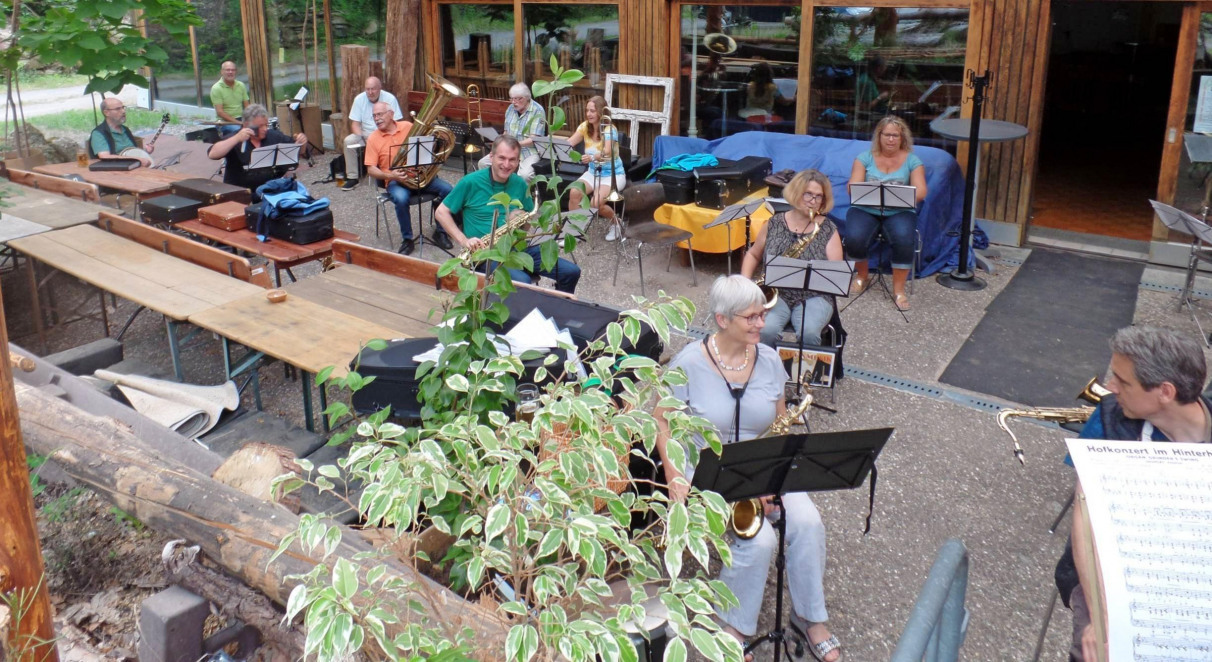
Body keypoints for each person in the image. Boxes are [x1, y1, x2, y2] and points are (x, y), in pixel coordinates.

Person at [654, 275, 842, 662]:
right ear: (723, 320)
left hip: (762, 462)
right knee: (759, 540)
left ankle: (810, 618)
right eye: (752, 317)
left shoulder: (771, 360)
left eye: (763, 315)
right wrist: (675, 478)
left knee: (808, 524)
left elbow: (778, 425)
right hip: (709, 470)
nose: (763, 324)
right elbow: (663, 422)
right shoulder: (687, 362)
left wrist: (771, 479)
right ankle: (734, 627)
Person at [1055, 326, 1212, 662]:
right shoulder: (1111, 415)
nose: (1110, 388)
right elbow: (1085, 524)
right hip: (1109, 574)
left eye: (1123, 381)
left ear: (1165, 392)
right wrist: (1102, 618)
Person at [436, 135, 580, 294]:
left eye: (512, 160)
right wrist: (464, 240)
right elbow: (441, 212)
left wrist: (520, 220)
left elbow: (527, 224)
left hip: (516, 247)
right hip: (485, 253)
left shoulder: (519, 183)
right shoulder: (470, 182)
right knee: (523, 283)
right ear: (491, 157)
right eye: (502, 158)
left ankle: (558, 308)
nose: (506, 164)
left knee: (571, 272)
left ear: (519, 161)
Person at [741, 170, 844, 348]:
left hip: (815, 296)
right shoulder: (774, 223)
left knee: (809, 333)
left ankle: (807, 373)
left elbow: (836, 273)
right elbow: (753, 254)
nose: (813, 201)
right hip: (777, 293)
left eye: (819, 197)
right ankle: (767, 369)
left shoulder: (828, 229)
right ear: (796, 193)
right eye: (808, 194)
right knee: (765, 330)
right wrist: (744, 283)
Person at [843, 115, 926, 311]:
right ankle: (863, 276)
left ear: (902, 138)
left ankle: (899, 290)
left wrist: (903, 195)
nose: (891, 139)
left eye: (895, 136)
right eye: (887, 135)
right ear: (878, 136)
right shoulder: (864, 158)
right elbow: (851, 187)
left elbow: (921, 191)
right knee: (854, 237)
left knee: (904, 238)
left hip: (900, 210)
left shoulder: (913, 161)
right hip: (865, 208)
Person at [364, 101, 453, 256]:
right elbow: (371, 169)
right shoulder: (373, 138)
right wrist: (390, 175)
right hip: (395, 180)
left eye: (380, 114)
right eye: (374, 116)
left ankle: (441, 232)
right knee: (401, 198)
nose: (376, 119)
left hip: (418, 176)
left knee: (448, 190)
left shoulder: (407, 126)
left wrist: (432, 146)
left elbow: (425, 148)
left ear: (391, 114)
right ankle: (407, 239)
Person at [207, 103, 309, 198]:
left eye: (266, 124)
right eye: (260, 126)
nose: (265, 129)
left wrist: (302, 143)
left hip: (271, 190)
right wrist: (236, 138)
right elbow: (212, 154)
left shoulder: (273, 136)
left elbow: (298, 152)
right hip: (241, 194)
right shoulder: (235, 138)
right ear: (247, 125)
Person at [566, 96, 627, 242]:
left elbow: (607, 151)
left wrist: (592, 157)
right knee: (574, 193)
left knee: (595, 203)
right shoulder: (584, 127)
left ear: (600, 112)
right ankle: (574, 231)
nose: (589, 114)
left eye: (592, 111)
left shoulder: (609, 129)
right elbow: (570, 142)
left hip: (613, 174)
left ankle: (617, 223)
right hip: (593, 172)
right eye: (587, 110)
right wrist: (555, 146)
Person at [341, 77, 403, 192]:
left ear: (380, 88)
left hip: (386, 131)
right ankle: (352, 177)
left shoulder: (390, 98)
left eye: (373, 89)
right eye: (367, 89)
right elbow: (355, 124)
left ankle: (392, 172)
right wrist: (363, 138)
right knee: (348, 141)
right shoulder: (359, 99)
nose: (370, 92)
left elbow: (397, 122)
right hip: (365, 133)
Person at [477, 82, 544, 180]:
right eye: (511, 98)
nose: (513, 102)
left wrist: (515, 144)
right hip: (508, 148)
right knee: (483, 163)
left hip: (529, 151)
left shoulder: (537, 110)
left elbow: (534, 139)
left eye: (516, 99)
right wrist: (499, 143)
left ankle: (521, 194)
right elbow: (506, 133)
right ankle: (493, 190)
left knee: (525, 175)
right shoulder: (510, 109)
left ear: (525, 98)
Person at [88, 97, 152, 167]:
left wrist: (145, 152)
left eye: (123, 107)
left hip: (134, 166)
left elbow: (132, 151)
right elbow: (105, 156)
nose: (123, 111)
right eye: (118, 109)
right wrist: (137, 159)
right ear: (106, 112)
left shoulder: (125, 130)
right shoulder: (98, 133)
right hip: (116, 171)